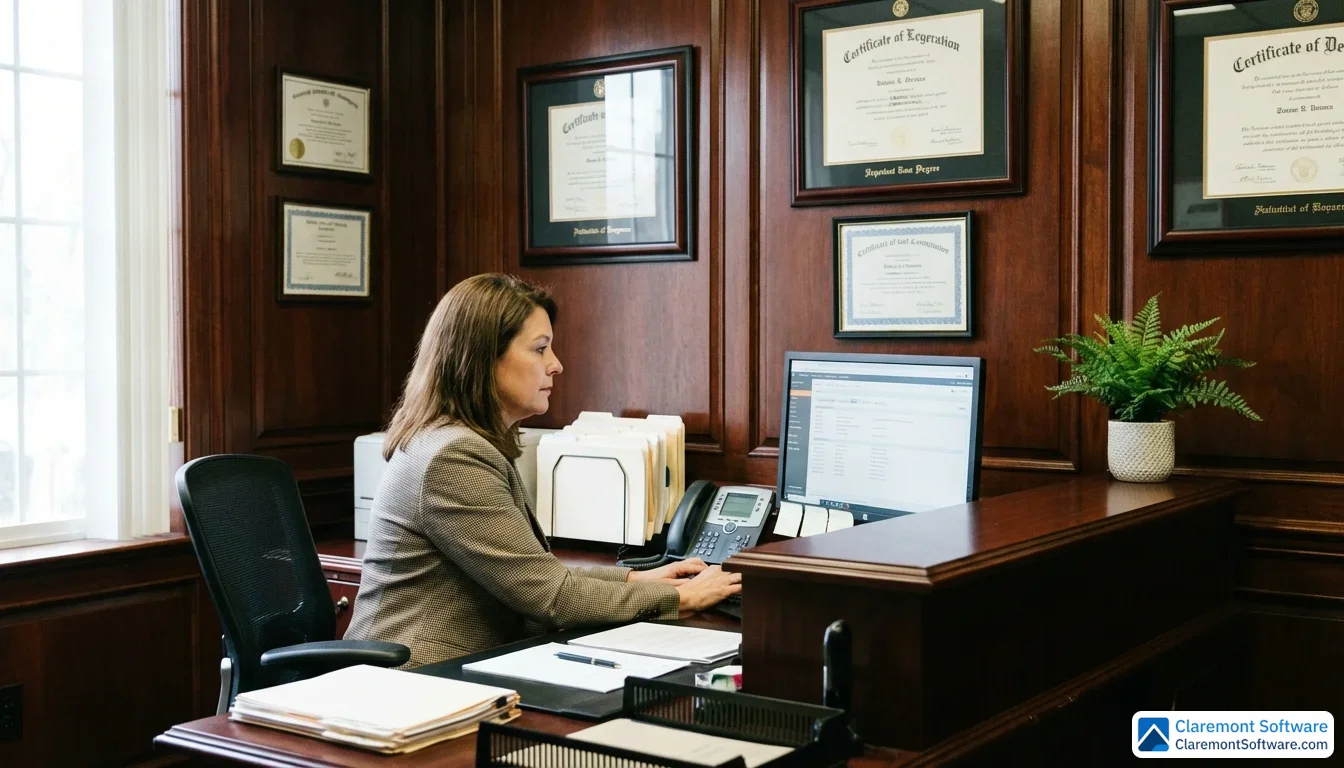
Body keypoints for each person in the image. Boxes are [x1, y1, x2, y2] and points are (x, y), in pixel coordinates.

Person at [344, 273, 741, 667]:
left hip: (462, 669)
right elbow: (552, 596)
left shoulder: (454, 439)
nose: (556, 365)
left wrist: (637, 579)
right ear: (484, 358)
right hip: (413, 682)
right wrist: (680, 598)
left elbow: (535, 574)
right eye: (540, 349)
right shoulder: (453, 456)